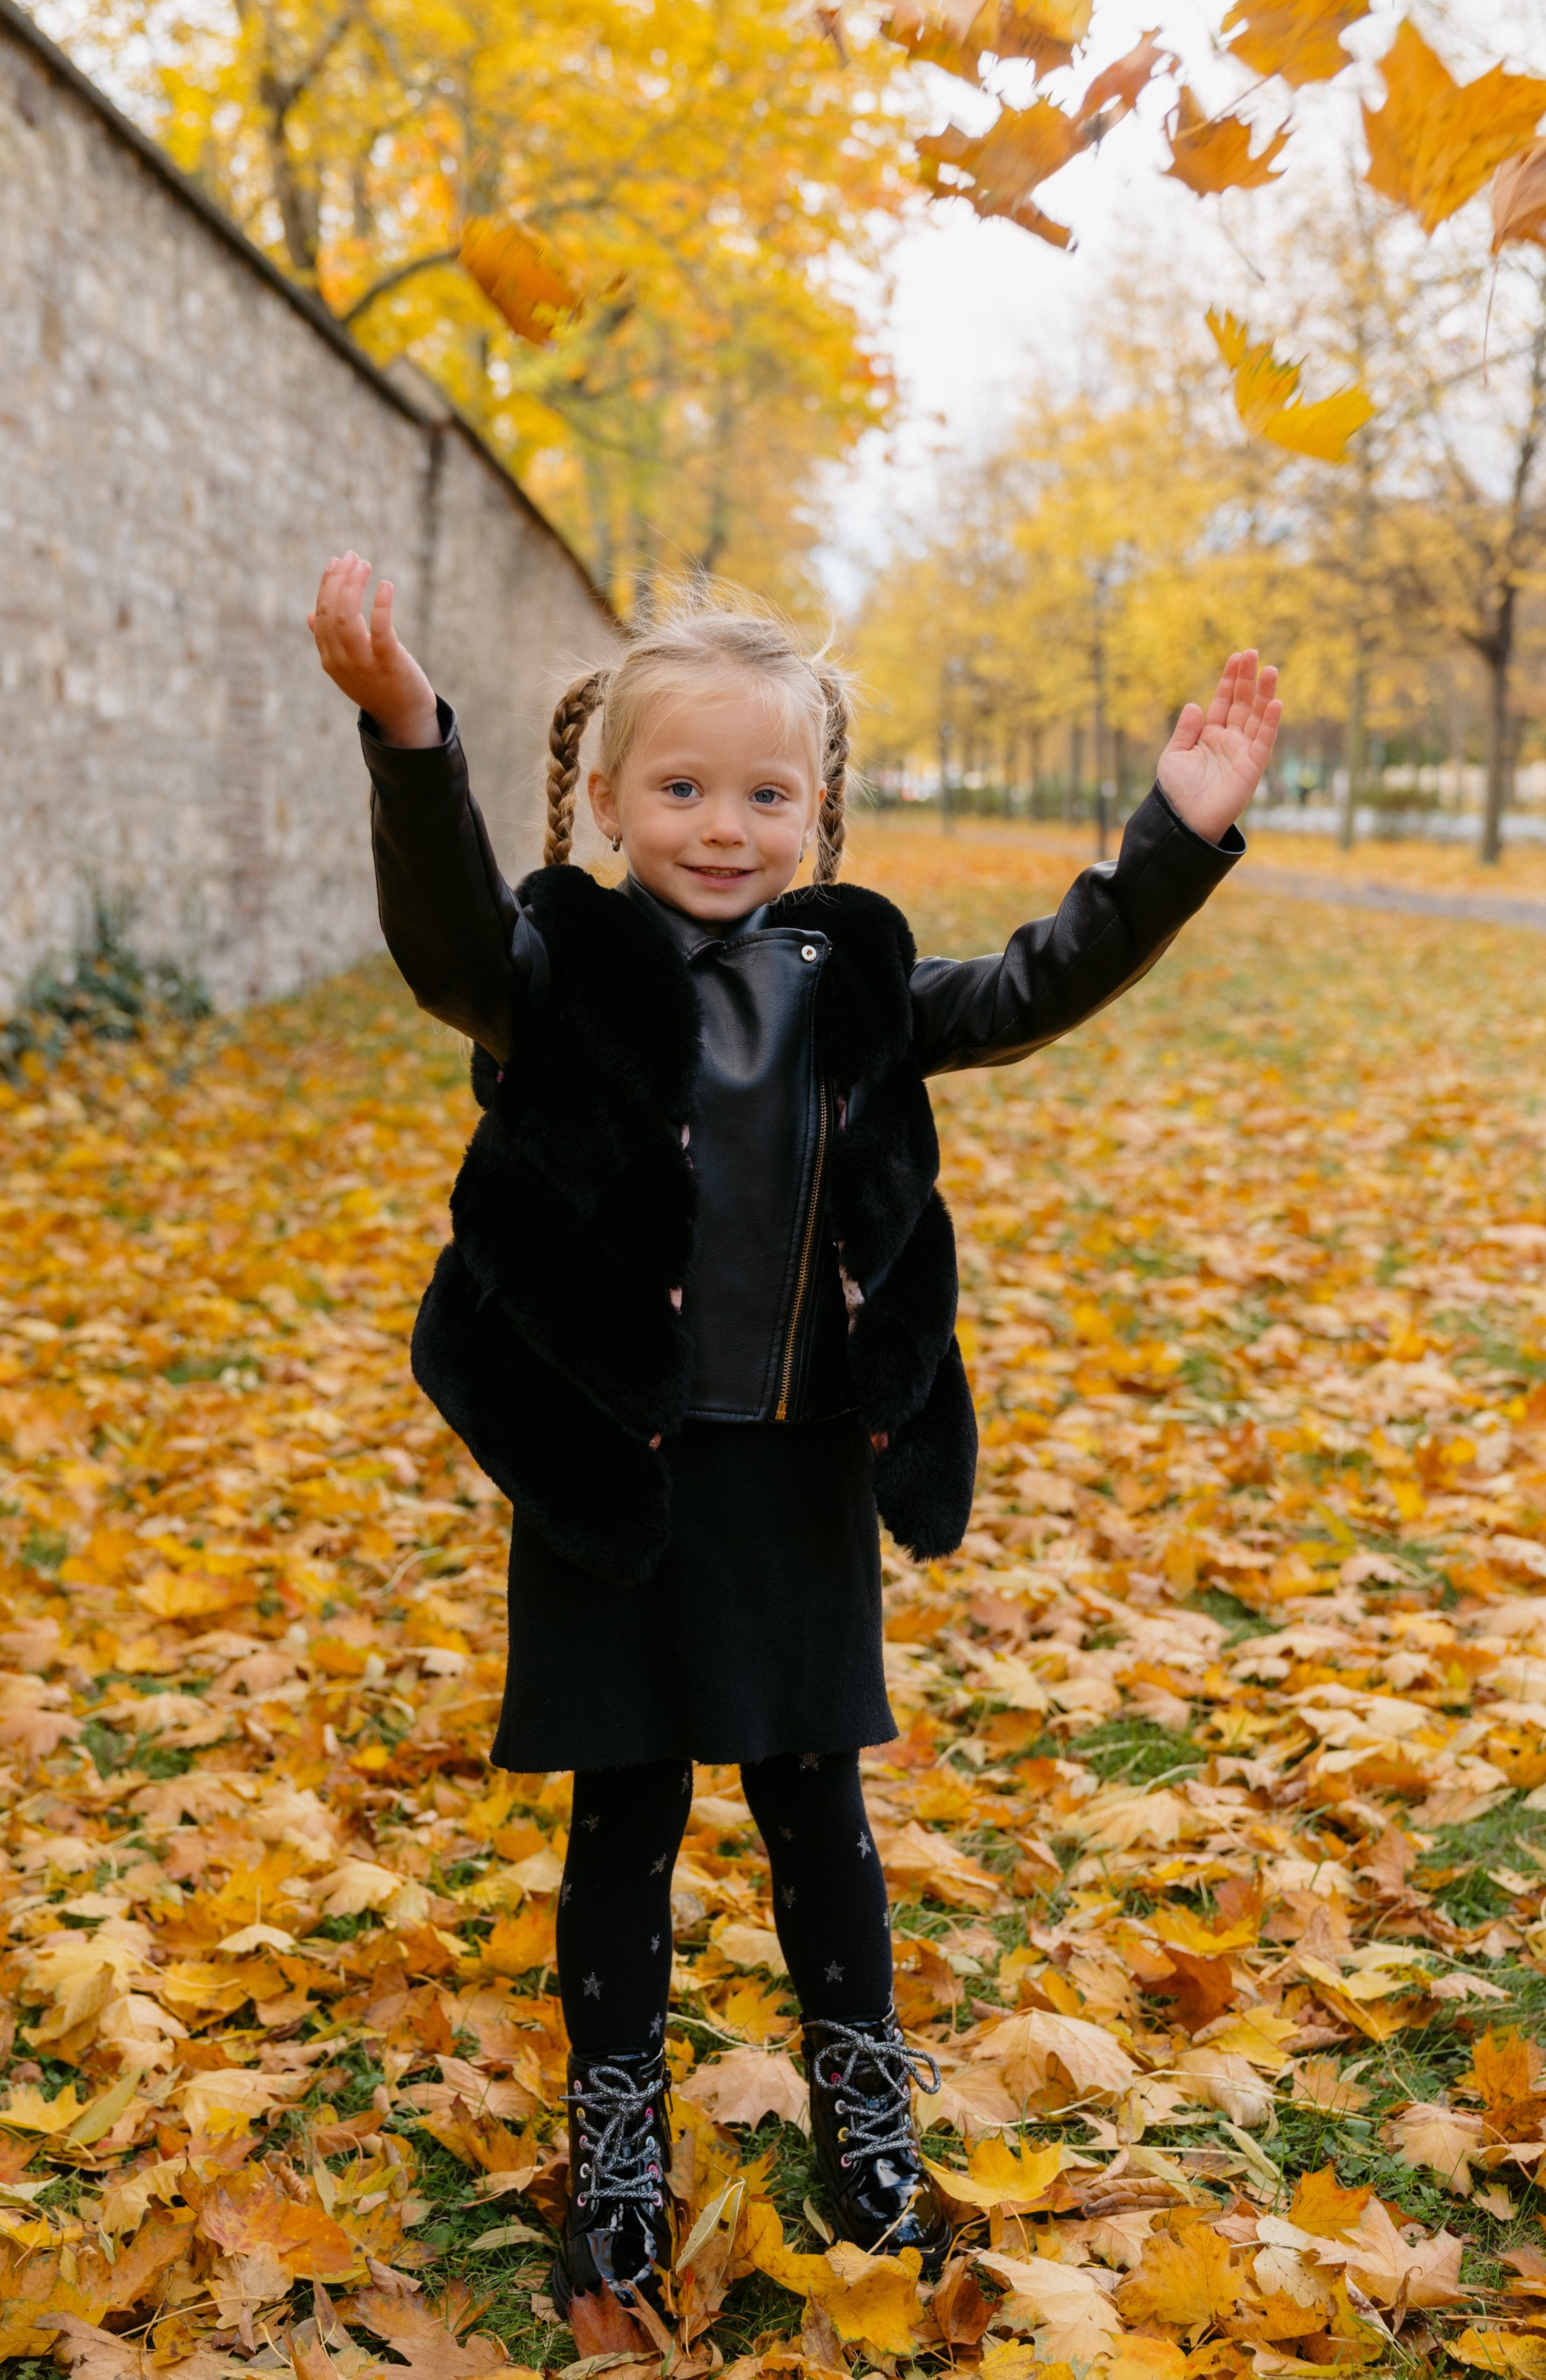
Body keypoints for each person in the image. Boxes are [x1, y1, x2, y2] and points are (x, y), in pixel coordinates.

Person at [307, 553, 1281, 2311]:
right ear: (605, 800)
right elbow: (444, 935)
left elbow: (1037, 985)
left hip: (798, 1468)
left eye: (766, 793)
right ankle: (615, 2146)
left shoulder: (851, 985)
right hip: (621, 1479)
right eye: (680, 787)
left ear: (815, 812)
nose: (724, 825)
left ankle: (863, 2114)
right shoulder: (555, 975)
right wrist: (401, 730)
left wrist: (1171, 837)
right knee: (623, 1814)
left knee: (810, 1799)